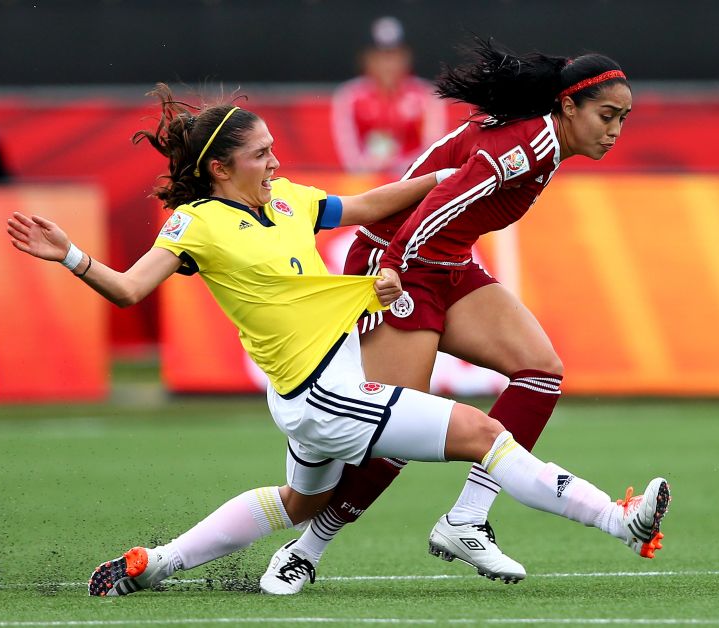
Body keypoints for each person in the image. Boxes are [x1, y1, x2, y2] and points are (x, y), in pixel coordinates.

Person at [6, 83, 669, 599]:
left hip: (322, 386)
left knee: (301, 503)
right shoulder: (193, 225)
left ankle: (154, 565)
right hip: (324, 394)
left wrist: (457, 175)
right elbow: (127, 288)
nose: (274, 160)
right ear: (218, 170)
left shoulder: (287, 200)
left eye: (272, 148)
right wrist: (70, 257)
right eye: (260, 153)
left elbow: (367, 205)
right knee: (482, 435)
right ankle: (618, 519)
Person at [260, 39, 643, 594]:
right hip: (400, 263)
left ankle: (466, 520)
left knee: (540, 370)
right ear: (567, 108)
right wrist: (386, 270)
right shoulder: (528, 145)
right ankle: (304, 549)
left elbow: (451, 217)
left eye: (623, 119)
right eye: (607, 116)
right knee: (395, 432)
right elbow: (436, 205)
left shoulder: (545, 140)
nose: (614, 130)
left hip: (445, 261)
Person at [331, 16, 446, 175]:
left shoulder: (427, 95)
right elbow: (348, 148)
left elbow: (433, 145)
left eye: (394, 56)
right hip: (366, 180)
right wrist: (369, 166)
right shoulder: (349, 96)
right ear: (367, 59)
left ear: (407, 57)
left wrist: (401, 167)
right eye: (381, 57)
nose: (388, 65)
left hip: (412, 179)